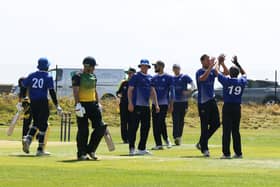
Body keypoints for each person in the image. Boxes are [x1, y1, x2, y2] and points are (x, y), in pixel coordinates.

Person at [21, 58, 62, 156]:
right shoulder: (48, 76)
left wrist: (24, 98)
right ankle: (39, 149)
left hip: (33, 102)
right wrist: (57, 105)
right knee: (43, 125)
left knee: (36, 123)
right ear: (47, 66)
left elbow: (23, 85)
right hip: (43, 102)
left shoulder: (31, 75)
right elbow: (52, 92)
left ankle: (28, 139)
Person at [72, 57, 107, 160]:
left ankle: (91, 150)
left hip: (92, 104)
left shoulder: (93, 76)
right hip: (82, 105)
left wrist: (98, 103)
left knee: (101, 127)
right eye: (93, 67)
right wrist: (78, 104)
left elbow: (94, 90)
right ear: (87, 66)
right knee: (83, 130)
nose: (94, 69)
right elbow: (75, 91)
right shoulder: (77, 76)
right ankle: (81, 153)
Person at [195, 54, 228, 157]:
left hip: (211, 101)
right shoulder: (199, 72)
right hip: (203, 102)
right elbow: (202, 79)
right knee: (204, 126)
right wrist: (211, 67)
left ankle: (201, 142)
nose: (209, 61)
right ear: (202, 61)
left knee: (217, 123)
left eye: (210, 60)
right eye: (207, 60)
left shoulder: (213, 71)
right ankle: (204, 149)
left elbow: (226, 73)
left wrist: (221, 63)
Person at [214, 56, 247, 159]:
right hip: (237, 107)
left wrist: (218, 62)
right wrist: (237, 63)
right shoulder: (241, 81)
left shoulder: (226, 81)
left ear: (230, 73)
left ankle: (226, 153)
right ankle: (238, 153)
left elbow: (216, 72)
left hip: (228, 107)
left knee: (226, 131)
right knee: (236, 131)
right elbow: (244, 74)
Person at [127, 59, 160, 156]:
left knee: (146, 127)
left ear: (148, 67)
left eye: (146, 66)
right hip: (136, 106)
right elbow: (130, 90)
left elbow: (153, 91)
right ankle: (131, 148)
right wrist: (130, 103)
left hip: (146, 106)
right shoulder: (136, 76)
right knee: (134, 127)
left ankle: (142, 148)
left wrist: (156, 104)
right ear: (140, 66)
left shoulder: (150, 78)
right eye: (142, 66)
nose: (144, 67)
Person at [151, 61, 173, 150]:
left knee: (160, 122)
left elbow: (172, 92)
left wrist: (171, 104)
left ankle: (166, 139)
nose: (154, 67)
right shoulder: (154, 78)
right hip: (154, 104)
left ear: (161, 66)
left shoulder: (168, 77)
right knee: (155, 124)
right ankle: (158, 143)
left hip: (164, 104)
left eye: (155, 66)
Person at [172, 64, 195, 146]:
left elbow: (193, 85)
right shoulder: (172, 78)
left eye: (177, 68)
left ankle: (179, 137)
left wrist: (189, 91)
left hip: (183, 102)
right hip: (175, 102)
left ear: (179, 69)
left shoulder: (184, 77)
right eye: (174, 69)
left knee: (181, 120)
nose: (175, 70)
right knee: (175, 119)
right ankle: (175, 137)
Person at [116, 67, 136, 144]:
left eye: (130, 73)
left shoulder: (136, 83)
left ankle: (131, 137)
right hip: (123, 105)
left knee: (132, 122)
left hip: (132, 105)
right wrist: (119, 95)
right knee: (124, 122)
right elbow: (118, 92)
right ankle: (125, 138)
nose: (129, 75)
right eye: (128, 74)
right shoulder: (124, 83)